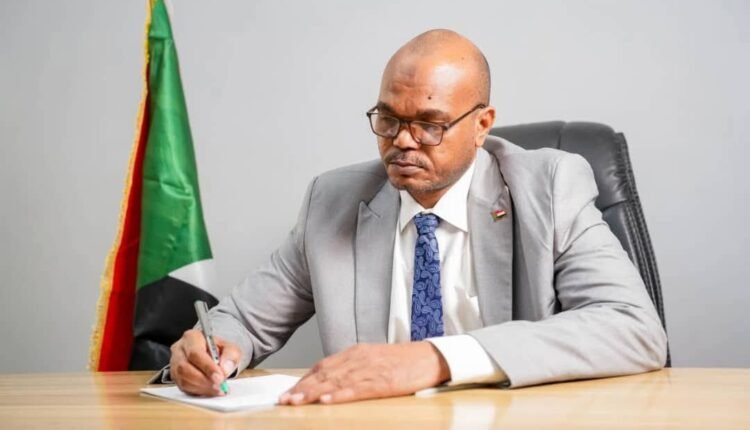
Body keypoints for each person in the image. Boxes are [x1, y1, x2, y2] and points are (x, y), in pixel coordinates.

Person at [168, 29, 667, 405]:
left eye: (430, 124)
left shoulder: (548, 187)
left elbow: (632, 327)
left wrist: (434, 359)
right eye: (388, 119)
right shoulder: (333, 201)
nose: (402, 141)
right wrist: (211, 350)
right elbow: (242, 321)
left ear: (482, 125)